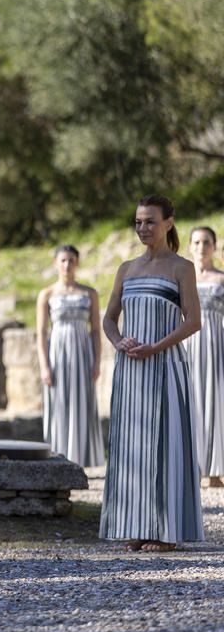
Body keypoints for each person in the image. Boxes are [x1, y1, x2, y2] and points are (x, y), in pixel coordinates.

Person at [100, 195, 203, 552]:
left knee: (164, 445)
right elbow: (108, 319)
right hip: (130, 371)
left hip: (166, 367)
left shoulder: (182, 268)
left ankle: (165, 531)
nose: (142, 228)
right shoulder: (127, 269)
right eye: (138, 222)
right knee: (132, 447)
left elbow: (194, 321)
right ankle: (137, 525)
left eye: (150, 221)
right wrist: (118, 342)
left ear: (168, 223)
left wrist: (155, 347)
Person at [35, 245, 104, 466]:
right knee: (58, 402)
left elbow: (96, 330)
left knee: (83, 402)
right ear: (55, 263)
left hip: (82, 353)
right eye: (63, 260)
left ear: (77, 263)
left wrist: (97, 361)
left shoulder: (89, 293)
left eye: (71, 260)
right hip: (57, 354)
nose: (67, 265)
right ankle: (57, 457)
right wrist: (44, 366)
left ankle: (81, 458)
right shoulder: (46, 294)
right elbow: (41, 332)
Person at [184, 226, 224, 487]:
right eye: (197, 242)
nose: (201, 247)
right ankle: (192, 467)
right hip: (187, 344)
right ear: (190, 246)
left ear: (214, 246)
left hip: (217, 344)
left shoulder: (222, 279)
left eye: (207, 242)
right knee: (191, 401)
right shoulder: (182, 277)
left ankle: (216, 470)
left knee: (216, 403)